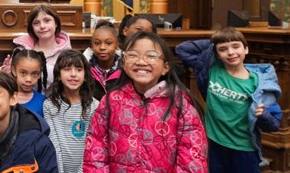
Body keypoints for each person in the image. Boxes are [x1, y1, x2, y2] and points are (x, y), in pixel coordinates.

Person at [83, 31, 208, 172]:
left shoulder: (180, 103)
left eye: (151, 55)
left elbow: (192, 157)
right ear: (123, 64)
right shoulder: (111, 100)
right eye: (133, 55)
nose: (141, 62)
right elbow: (95, 148)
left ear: (165, 67)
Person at [175, 27, 282, 173]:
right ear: (217, 54)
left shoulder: (260, 83)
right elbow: (182, 49)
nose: (231, 52)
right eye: (223, 49)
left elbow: (275, 124)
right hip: (214, 145)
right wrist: (217, 40)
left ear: (246, 49)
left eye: (236, 46)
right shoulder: (211, 69)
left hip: (244, 149)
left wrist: (264, 115)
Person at [43, 50, 99, 173]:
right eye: (67, 69)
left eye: (79, 70)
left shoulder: (94, 106)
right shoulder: (49, 105)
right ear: (58, 75)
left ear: (85, 76)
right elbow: (54, 144)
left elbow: (92, 146)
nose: (73, 74)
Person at [0, 4, 71, 88]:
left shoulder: (67, 53)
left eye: (47, 20)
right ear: (32, 28)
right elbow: (7, 81)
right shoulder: (21, 51)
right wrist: (6, 73)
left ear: (56, 23)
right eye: (36, 23)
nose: (42, 26)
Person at [85, 21, 121, 100]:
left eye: (108, 43)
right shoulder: (86, 69)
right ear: (91, 46)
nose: (102, 47)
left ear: (117, 45)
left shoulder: (125, 69)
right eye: (97, 43)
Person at [10, 49, 47, 116]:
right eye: (23, 73)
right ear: (14, 71)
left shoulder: (43, 102)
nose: (29, 79)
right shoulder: (5, 98)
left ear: (39, 74)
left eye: (35, 74)